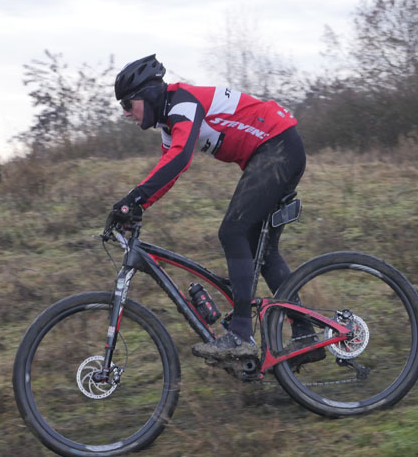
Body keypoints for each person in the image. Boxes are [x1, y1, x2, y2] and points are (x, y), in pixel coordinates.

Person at [109, 54, 317, 362]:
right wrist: (135, 204)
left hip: (278, 146)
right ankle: (305, 334)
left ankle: (241, 335)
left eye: (128, 104)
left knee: (233, 231)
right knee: (261, 251)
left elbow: (180, 158)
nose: (126, 113)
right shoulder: (170, 121)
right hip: (275, 149)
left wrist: (134, 199)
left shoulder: (183, 104)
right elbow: (168, 170)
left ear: (148, 94)